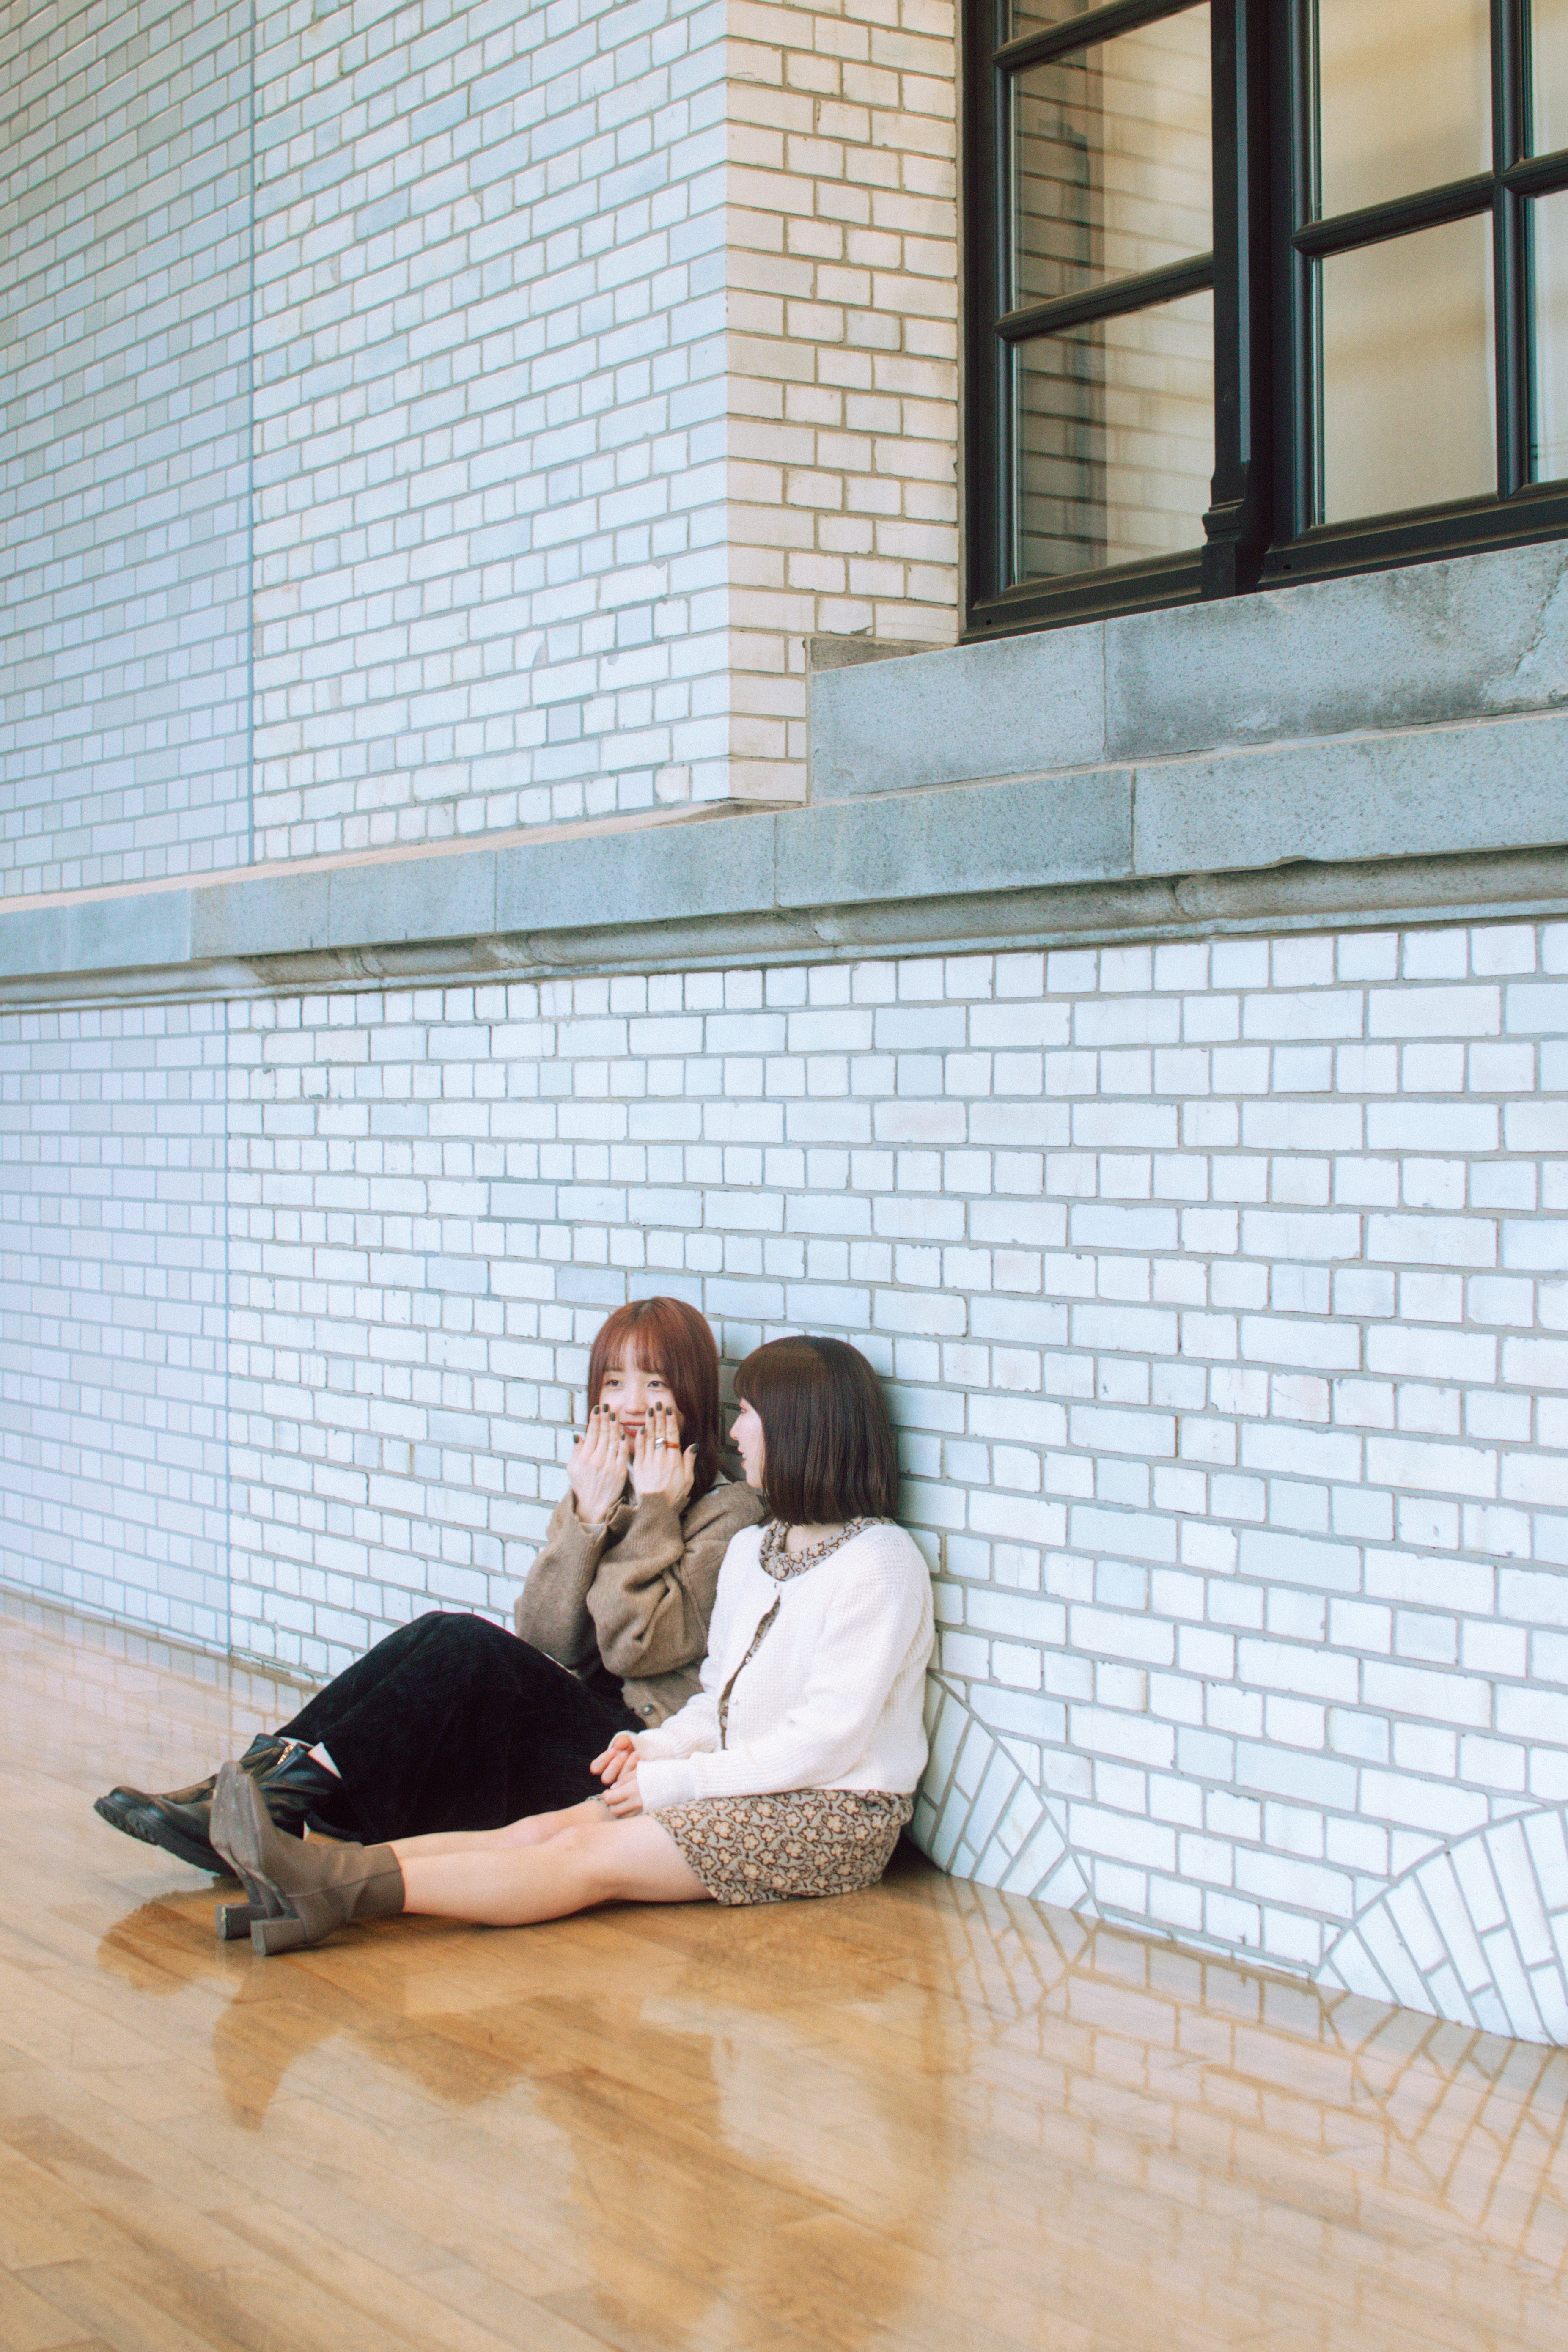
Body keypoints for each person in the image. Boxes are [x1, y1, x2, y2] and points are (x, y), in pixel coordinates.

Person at [205, 1334, 935, 1953]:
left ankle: (330, 1891)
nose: (737, 1431)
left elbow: (827, 1741)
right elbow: (720, 1702)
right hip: (733, 1779)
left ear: (804, 1429)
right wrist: (655, 1751)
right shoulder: (757, 1548)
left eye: (749, 1415)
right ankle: (306, 1880)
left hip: (830, 1814)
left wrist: (676, 1780)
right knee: (541, 1830)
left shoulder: (880, 1561)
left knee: (587, 1856)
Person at [93, 1298, 765, 1870]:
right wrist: (588, 1517)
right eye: (613, 1382)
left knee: (468, 1646)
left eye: (654, 1383)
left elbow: (633, 1651)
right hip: (571, 1725)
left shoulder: (729, 1513)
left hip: (630, 1753)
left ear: (690, 1393)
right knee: (443, 1632)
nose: (630, 1404)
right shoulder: (601, 1486)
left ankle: (267, 1807)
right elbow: (545, 1637)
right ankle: (244, 1791)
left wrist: (651, 1515)